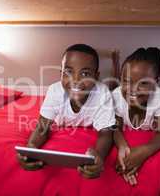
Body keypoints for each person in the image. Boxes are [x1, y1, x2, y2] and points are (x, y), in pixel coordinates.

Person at [17, 44, 116, 179]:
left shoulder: (103, 93)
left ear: (96, 76)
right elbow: (42, 127)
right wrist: (31, 147)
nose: (75, 80)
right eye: (68, 72)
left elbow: (105, 134)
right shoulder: (55, 91)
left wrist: (99, 155)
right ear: (61, 73)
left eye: (85, 74)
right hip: (60, 121)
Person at [113, 47, 160, 185]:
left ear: (156, 83)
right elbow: (115, 128)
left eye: (143, 83)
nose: (133, 89)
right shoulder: (116, 96)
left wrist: (143, 151)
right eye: (126, 81)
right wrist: (123, 147)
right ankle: (115, 64)